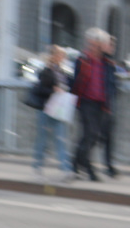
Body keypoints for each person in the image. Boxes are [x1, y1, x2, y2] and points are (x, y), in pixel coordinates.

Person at [70, 27, 116, 182]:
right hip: (86, 103)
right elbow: (75, 81)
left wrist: (109, 105)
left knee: (91, 137)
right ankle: (86, 168)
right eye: (101, 42)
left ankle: (78, 163)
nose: (104, 45)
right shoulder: (82, 60)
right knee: (91, 135)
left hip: (101, 105)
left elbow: (111, 85)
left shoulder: (108, 64)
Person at [30, 45, 73, 181]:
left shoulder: (62, 72)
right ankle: (37, 167)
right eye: (61, 55)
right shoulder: (46, 71)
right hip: (46, 109)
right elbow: (40, 89)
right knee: (43, 139)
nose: (63, 58)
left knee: (60, 139)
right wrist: (53, 91)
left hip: (58, 110)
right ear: (54, 56)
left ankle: (65, 169)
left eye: (63, 55)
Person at [100, 35, 121, 178]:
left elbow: (112, 85)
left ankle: (109, 166)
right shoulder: (100, 63)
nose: (112, 48)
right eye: (109, 45)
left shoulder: (110, 64)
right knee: (92, 138)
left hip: (108, 106)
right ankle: (81, 162)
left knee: (108, 138)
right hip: (99, 106)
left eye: (113, 46)